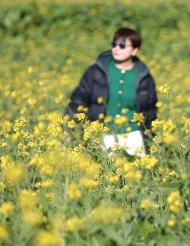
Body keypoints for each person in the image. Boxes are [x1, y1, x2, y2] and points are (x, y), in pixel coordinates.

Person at [64, 27, 158, 156]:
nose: (116, 48)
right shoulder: (96, 72)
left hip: (134, 136)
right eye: (114, 44)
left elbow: (150, 112)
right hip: (103, 135)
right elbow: (78, 101)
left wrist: (152, 139)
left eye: (122, 45)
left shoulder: (144, 77)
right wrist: (68, 129)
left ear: (135, 50)